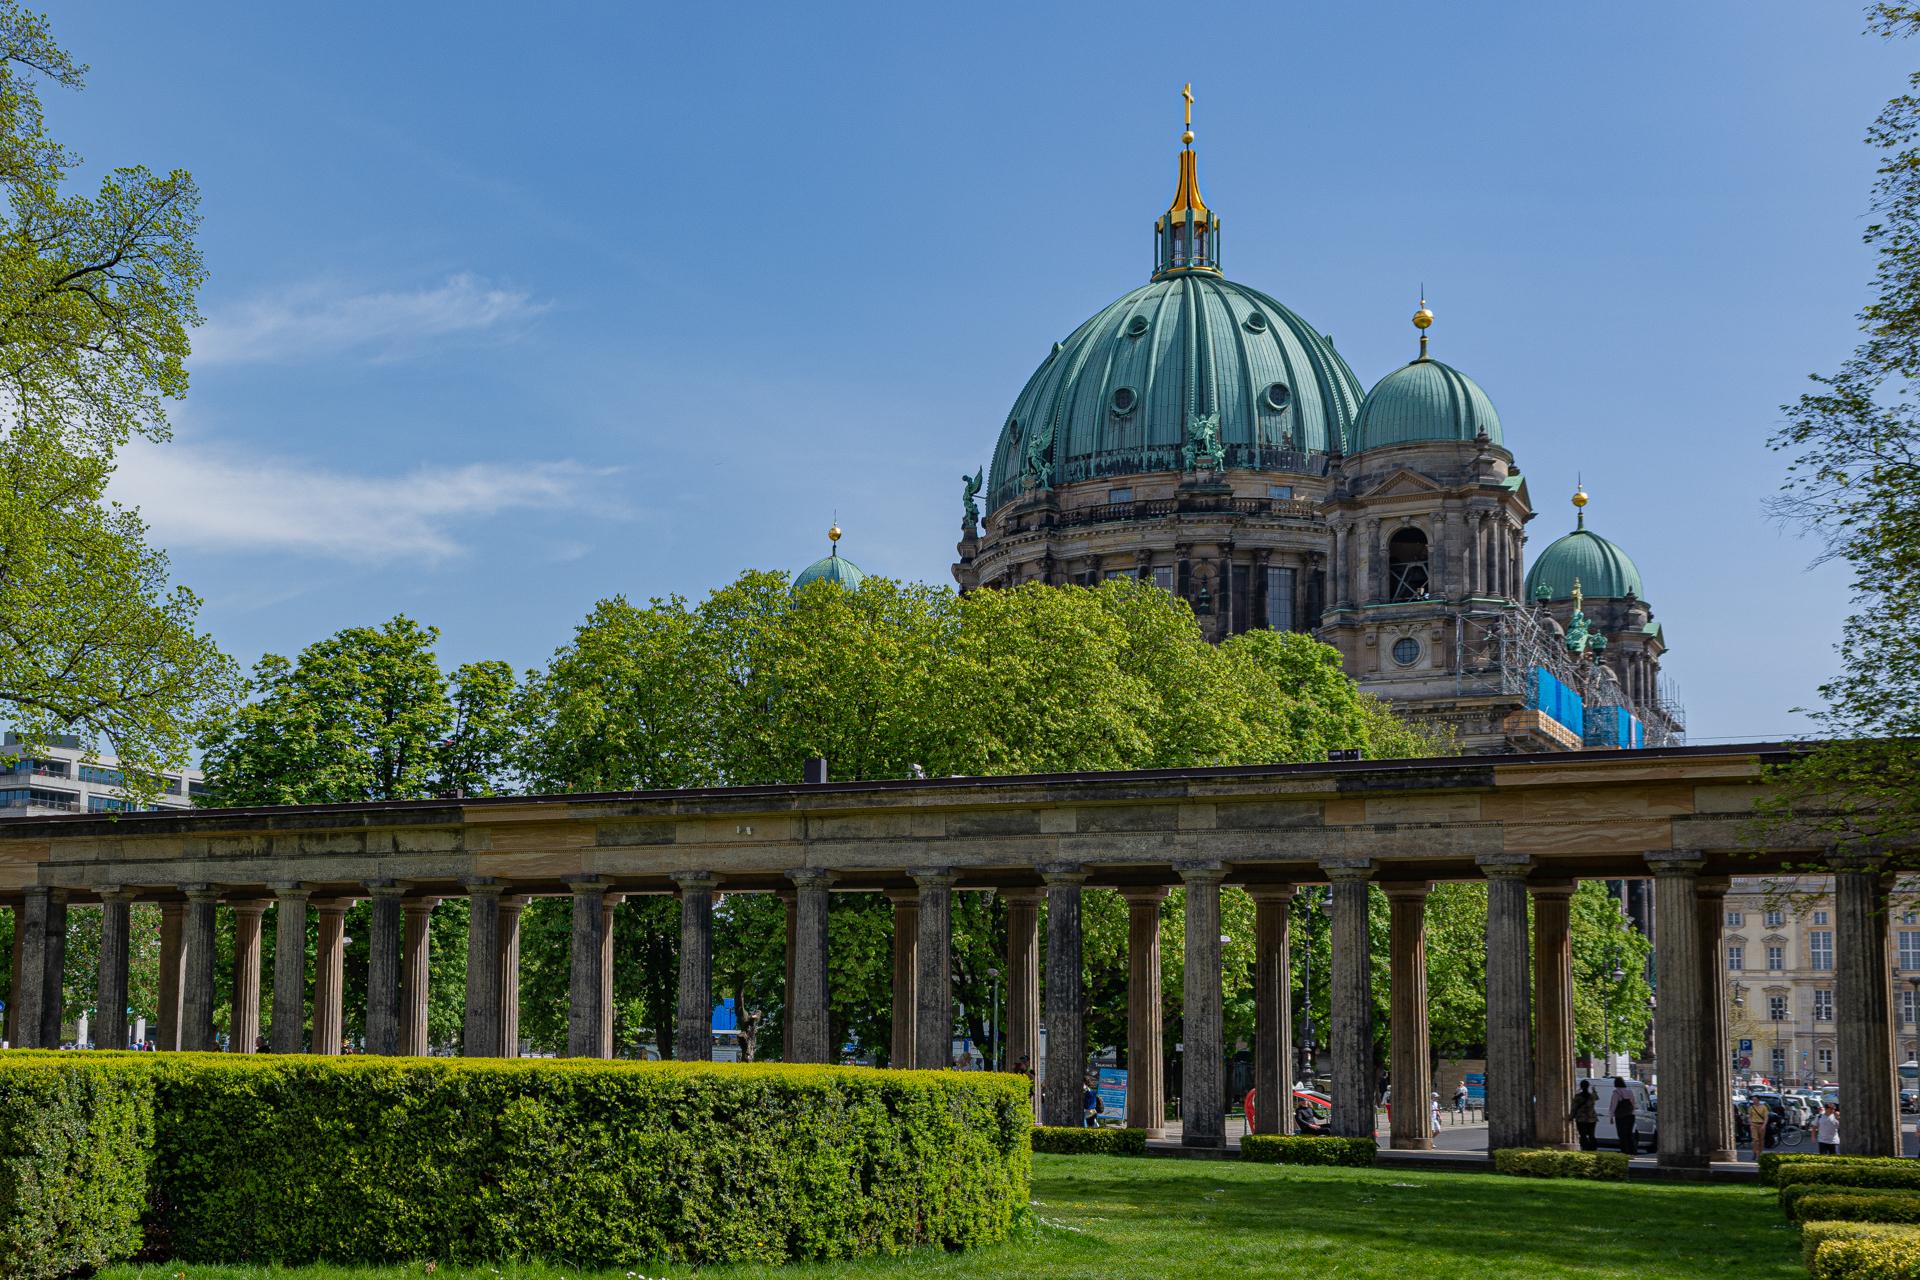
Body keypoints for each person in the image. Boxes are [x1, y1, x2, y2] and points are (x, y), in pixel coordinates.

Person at [1610, 1077, 1639, 1156]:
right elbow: (1633, 1103)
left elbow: (1613, 1105)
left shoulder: (1616, 1093)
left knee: (1621, 1134)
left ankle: (1624, 1151)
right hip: (1630, 1115)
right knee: (1629, 1134)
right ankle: (1632, 1151)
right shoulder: (1629, 1091)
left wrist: (1611, 1116)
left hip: (1620, 1116)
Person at [1571, 1080, 1599, 1151]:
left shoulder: (1578, 1096)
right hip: (1592, 1118)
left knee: (1583, 1135)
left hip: (1581, 1118)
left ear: (1581, 1086)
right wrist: (1594, 1090)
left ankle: (1585, 1148)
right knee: (1591, 1135)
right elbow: (1597, 1097)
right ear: (1588, 1086)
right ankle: (1593, 1149)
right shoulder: (1592, 1096)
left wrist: (1571, 1116)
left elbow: (1574, 1107)